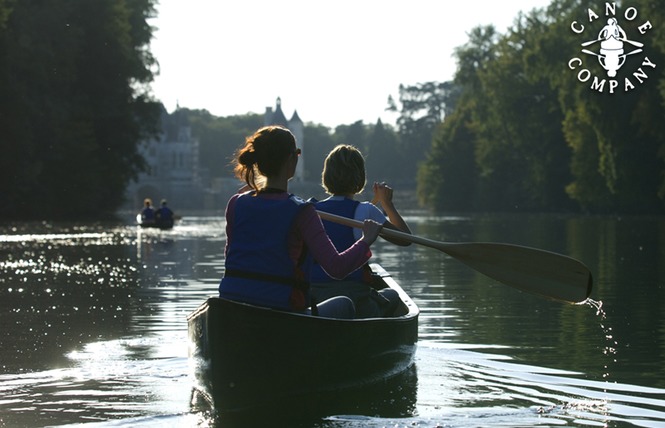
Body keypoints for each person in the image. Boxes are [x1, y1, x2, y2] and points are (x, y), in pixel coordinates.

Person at [218, 126, 383, 319]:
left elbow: (232, 255)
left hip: (231, 301)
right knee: (344, 303)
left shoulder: (235, 203)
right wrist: (365, 240)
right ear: (293, 159)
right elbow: (337, 268)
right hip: (280, 308)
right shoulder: (302, 212)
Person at [311, 144, 412, 318]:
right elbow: (405, 239)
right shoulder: (366, 211)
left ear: (326, 176)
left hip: (314, 297)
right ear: (360, 179)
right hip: (356, 299)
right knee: (393, 296)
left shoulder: (310, 209)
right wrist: (387, 203)